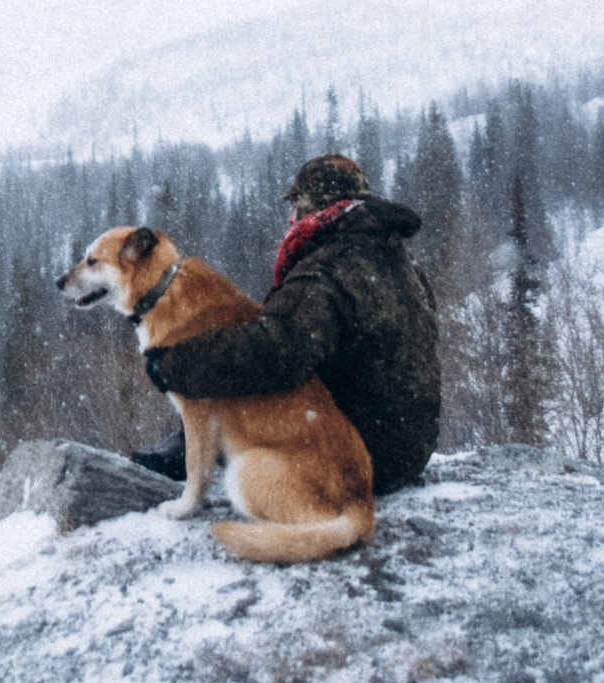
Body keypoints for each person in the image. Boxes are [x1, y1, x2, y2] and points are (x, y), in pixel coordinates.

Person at [130, 152, 442, 494]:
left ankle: (194, 448)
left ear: (315, 206)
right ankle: (194, 442)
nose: (291, 218)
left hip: (359, 459)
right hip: (407, 451)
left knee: (248, 371)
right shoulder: (399, 261)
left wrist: (178, 363)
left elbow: (276, 351)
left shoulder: (327, 272)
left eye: (296, 206)